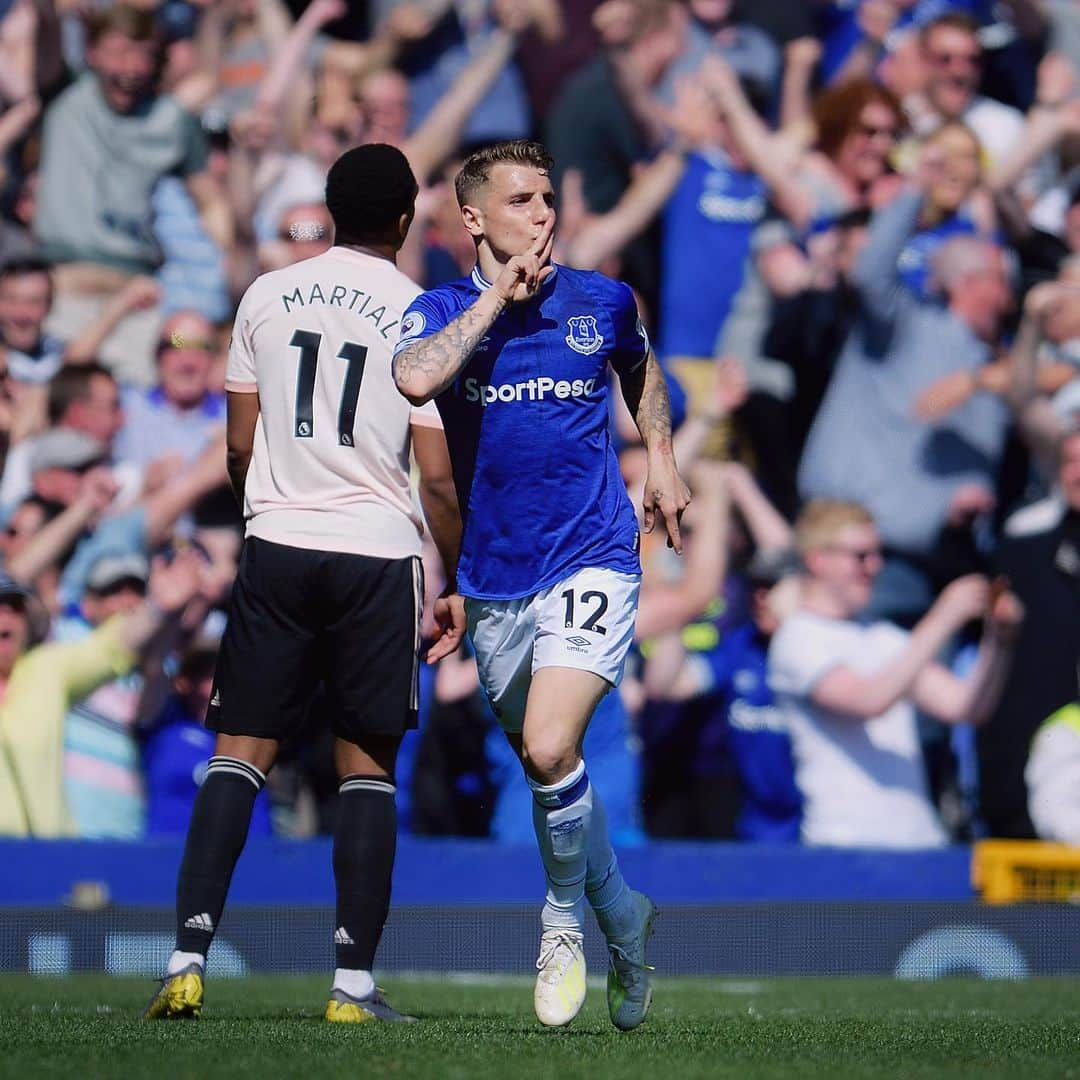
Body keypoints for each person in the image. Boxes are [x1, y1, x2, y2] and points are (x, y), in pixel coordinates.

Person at [143, 144, 464, 1024]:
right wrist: (460, 576)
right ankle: (351, 987)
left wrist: (266, 517)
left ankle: (185, 959)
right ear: (405, 221)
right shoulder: (422, 310)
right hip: (375, 550)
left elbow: (239, 445)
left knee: (238, 756)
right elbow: (436, 477)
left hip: (278, 539)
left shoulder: (265, 293)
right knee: (366, 770)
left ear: (326, 209)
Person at [393, 139, 689, 1031]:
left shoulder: (601, 299)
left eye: (549, 197)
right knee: (541, 765)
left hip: (595, 552)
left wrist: (663, 460)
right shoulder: (442, 309)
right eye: (521, 201)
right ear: (473, 220)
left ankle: (561, 923)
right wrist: (494, 298)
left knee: (555, 746)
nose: (544, 215)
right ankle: (623, 915)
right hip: (494, 578)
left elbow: (640, 368)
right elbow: (416, 377)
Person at [768, 499, 1023, 849]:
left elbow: (965, 707)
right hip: (843, 843)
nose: (874, 566)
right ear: (817, 559)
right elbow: (868, 700)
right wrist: (944, 616)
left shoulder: (886, 638)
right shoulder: (797, 638)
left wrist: (1000, 640)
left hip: (919, 841)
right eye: (860, 555)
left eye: (878, 554)